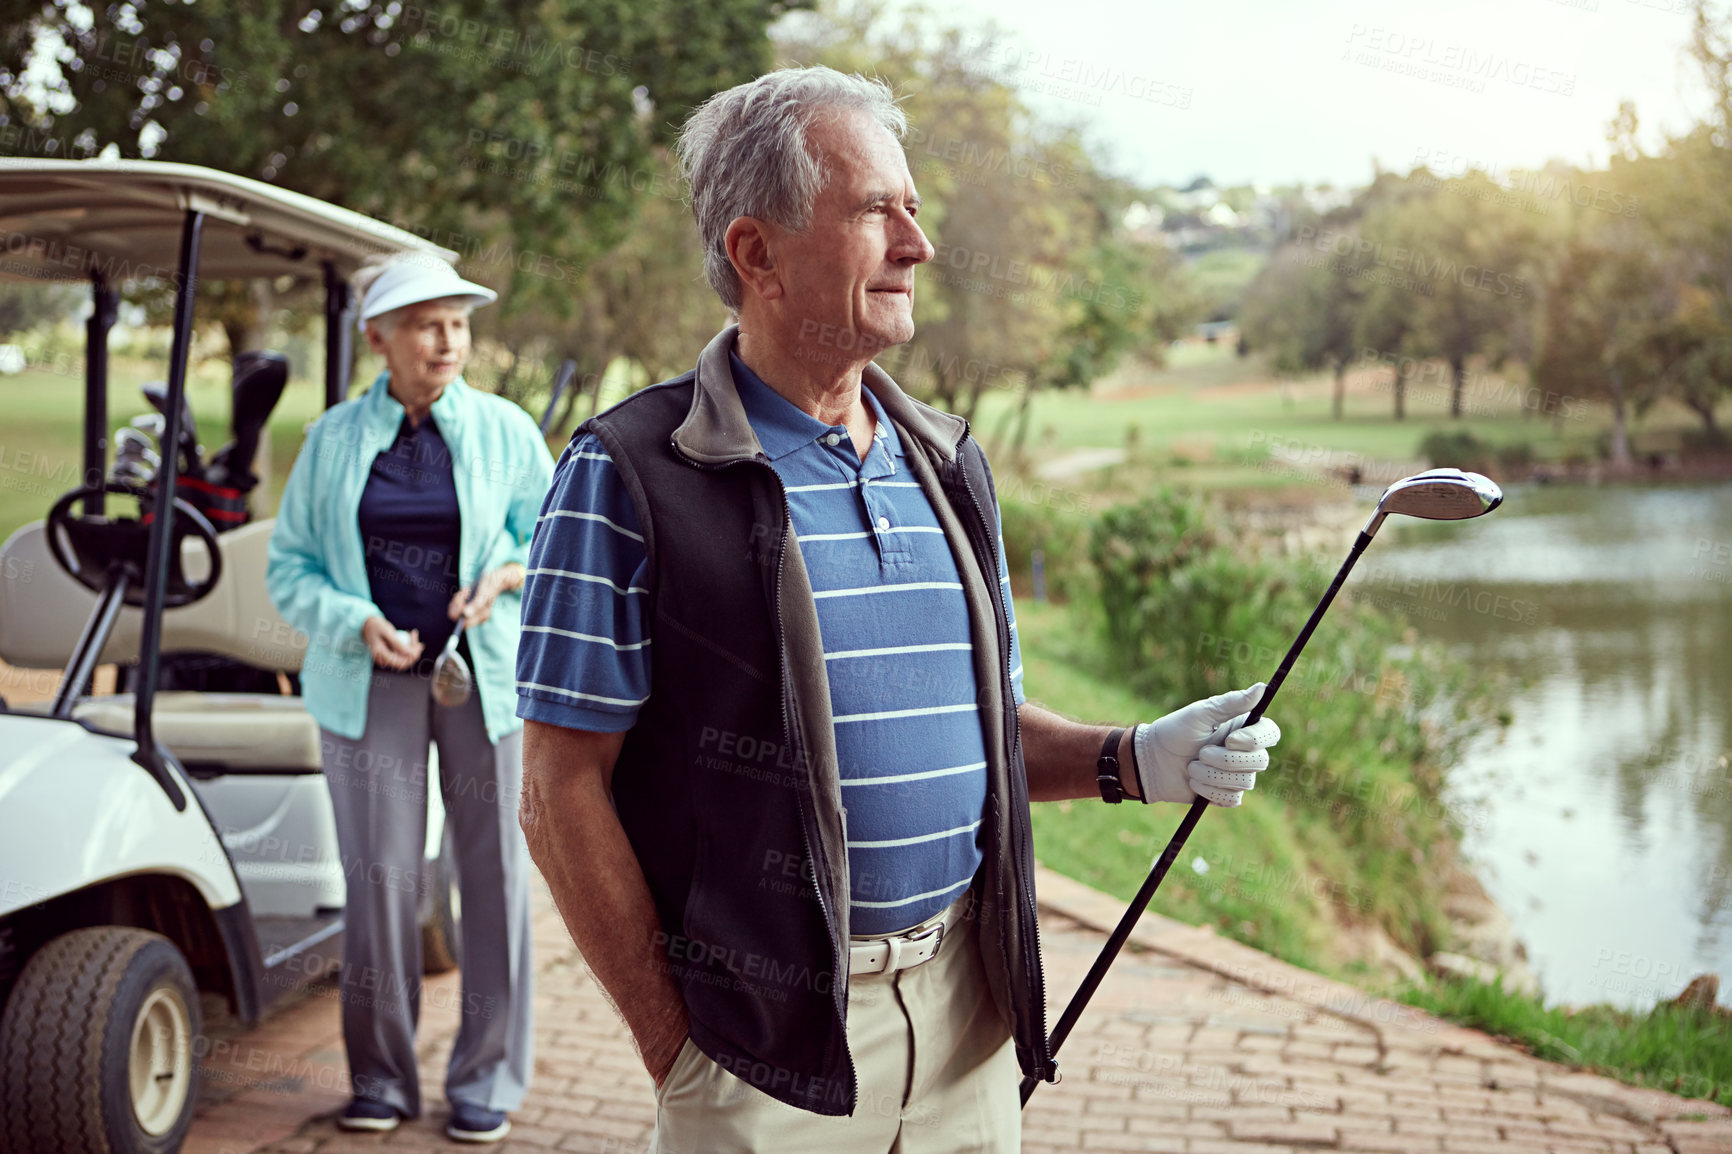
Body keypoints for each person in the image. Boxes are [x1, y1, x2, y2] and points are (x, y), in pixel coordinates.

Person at [514, 66, 1281, 1153]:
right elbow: (557, 784)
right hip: (761, 1053)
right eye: (878, 209)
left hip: (967, 1024)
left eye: (912, 209)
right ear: (756, 254)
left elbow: (984, 727)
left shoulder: (951, 462)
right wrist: (675, 1046)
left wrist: (1136, 757)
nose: (916, 245)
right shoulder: (630, 472)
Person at [267, 254, 552, 1144]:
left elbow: (554, 541)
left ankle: (487, 1079)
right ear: (377, 338)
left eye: (459, 322)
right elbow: (290, 569)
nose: (448, 339)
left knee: (492, 876)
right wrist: (355, 619)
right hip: (368, 689)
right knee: (381, 881)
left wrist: (506, 572)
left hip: (481, 684)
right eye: (426, 323)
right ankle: (381, 1078)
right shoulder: (333, 440)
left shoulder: (507, 431)